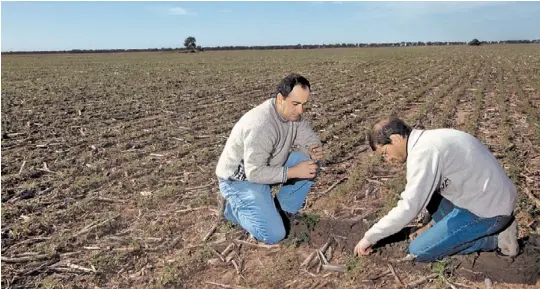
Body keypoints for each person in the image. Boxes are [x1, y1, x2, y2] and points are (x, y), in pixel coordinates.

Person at [354, 117, 519, 262]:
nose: (387, 159)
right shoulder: (430, 138)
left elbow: (409, 206)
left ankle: (498, 240)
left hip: (489, 212)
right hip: (488, 197)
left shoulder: (423, 152)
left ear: (395, 139)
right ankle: (442, 229)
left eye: (384, 153)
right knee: (428, 193)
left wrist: (370, 237)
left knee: (419, 251)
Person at [215, 73, 323, 245]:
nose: (301, 110)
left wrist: (314, 149)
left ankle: (284, 210)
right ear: (281, 98)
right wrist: (293, 171)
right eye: (296, 104)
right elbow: (254, 173)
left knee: (309, 163)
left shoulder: (292, 115)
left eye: (304, 104)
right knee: (273, 235)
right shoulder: (261, 125)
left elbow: (309, 138)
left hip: (268, 167)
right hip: (240, 181)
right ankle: (233, 211)